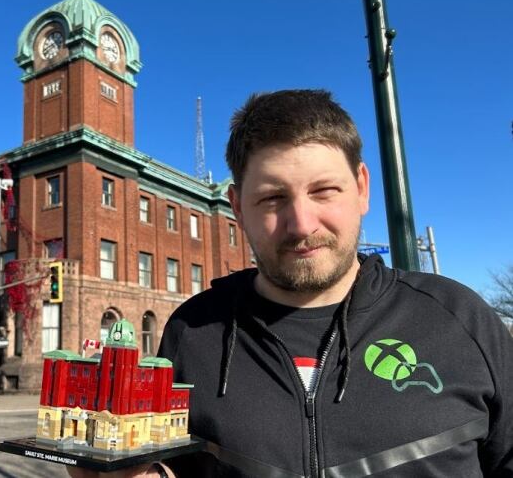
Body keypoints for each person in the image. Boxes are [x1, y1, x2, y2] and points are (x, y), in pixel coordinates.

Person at [150, 89, 513, 477]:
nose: (302, 224)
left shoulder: (459, 318)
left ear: (361, 187)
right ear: (238, 207)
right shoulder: (191, 332)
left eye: (323, 191)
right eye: (272, 198)